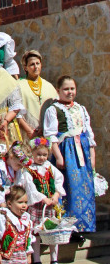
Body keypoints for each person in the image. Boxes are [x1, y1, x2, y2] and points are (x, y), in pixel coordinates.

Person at [43, 75, 96, 238]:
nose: (70, 92)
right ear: (58, 91)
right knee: (69, 189)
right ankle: (68, 227)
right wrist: (58, 156)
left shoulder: (81, 108)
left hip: (83, 152)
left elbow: (89, 133)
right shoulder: (54, 109)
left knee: (84, 189)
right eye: (66, 89)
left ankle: (83, 226)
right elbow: (51, 135)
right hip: (67, 152)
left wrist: (92, 158)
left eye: (72, 89)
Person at [23, 137, 66, 264]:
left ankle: (54, 260)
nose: (41, 158)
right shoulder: (29, 169)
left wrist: (56, 195)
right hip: (37, 206)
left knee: (53, 232)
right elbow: (30, 188)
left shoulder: (50, 167)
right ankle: (37, 261)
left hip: (51, 206)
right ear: (32, 154)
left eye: (44, 155)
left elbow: (59, 180)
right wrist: (42, 198)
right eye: (38, 155)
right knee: (37, 233)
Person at [16, 50, 58, 139]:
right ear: (25, 67)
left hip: (46, 132)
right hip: (27, 132)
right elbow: (15, 111)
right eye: (32, 64)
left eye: (37, 63)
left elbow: (56, 109)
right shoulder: (18, 85)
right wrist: (29, 130)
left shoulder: (49, 86)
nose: (35, 67)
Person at [0, 142, 27, 215]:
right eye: (19, 165)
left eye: (22, 166)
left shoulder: (17, 171)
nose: (20, 168)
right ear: (11, 156)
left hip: (11, 206)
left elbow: (18, 186)